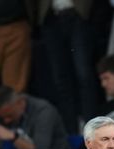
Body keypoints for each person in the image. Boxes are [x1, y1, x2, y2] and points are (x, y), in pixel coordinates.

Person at [37, 0, 97, 133]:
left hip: (78, 13)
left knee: (84, 76)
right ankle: (70, 133)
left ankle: (92, 131)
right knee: (60, 80)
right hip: (51, 17)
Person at [0, 86, 69, 149]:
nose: (6, 121)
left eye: (10, 116)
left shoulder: (44, 112)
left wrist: (13, 137)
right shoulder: (5, 113)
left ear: (20, 103)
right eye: (3, 117)